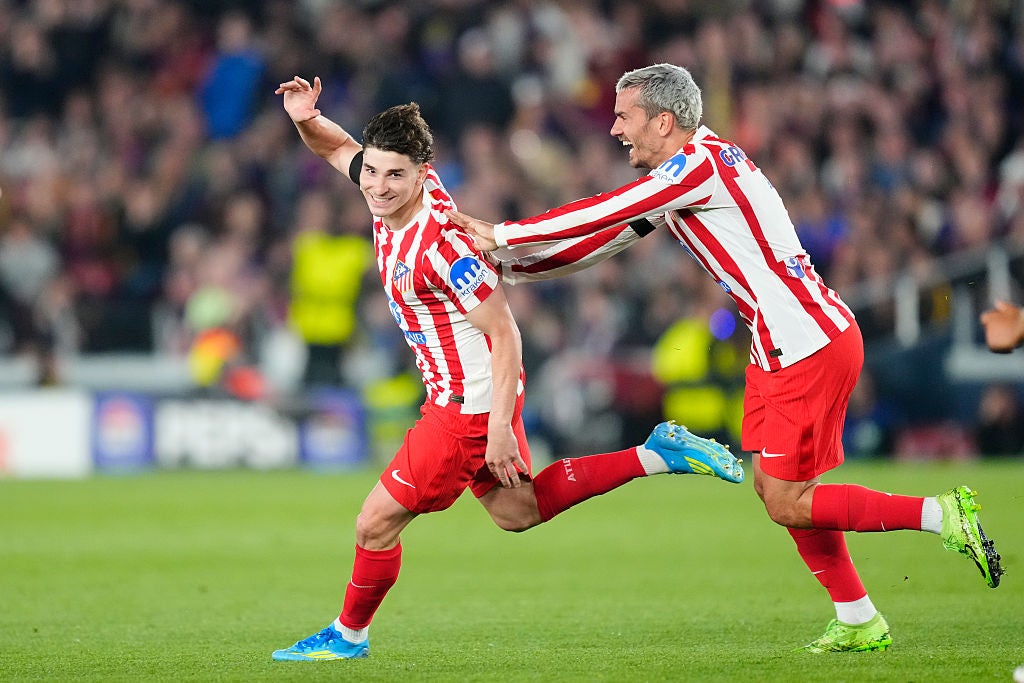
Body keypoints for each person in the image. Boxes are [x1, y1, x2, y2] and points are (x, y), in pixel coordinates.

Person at [447, 63, 1004, 653]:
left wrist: (504, 235)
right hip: (784, 342)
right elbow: (603, 240)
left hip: (805, 342)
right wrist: (507, 269)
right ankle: (859, 617)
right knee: (777, 490)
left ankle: (942, 515)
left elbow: (607, 208)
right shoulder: (686, 171)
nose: (613, 130)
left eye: (623, 116)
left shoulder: (696, 166)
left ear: (663, 121)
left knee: (789, 499)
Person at [270, 75, 745, 662]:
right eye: (373, 173)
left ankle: (348, 636)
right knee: (516, 512)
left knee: (373, 525)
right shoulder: (383, 195)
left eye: (395, 176)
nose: (378, 186)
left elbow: (505, 333)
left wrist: (495, 426)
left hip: (464, 410)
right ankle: (657, 454)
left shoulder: (440, 245)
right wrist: (303, 118)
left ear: (423, 174)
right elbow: (339, 148)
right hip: (468, 400)